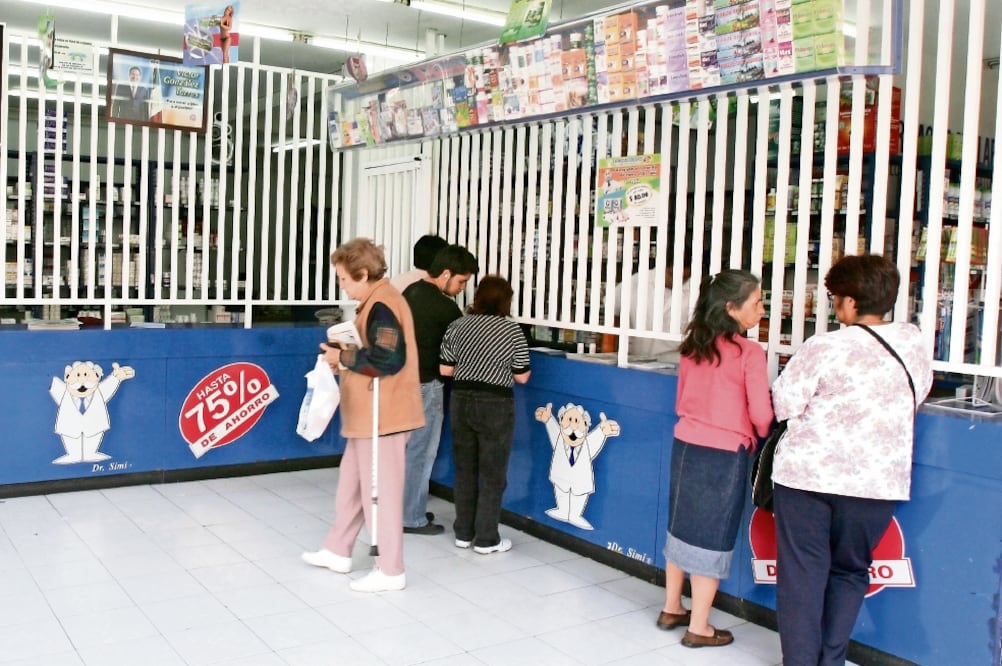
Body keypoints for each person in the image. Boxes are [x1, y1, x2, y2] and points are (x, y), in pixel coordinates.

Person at [770, 254, 932, 666]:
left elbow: (784, 403)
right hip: (876, 483)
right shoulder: (913, 342)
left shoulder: (824, 346)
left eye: (834, 298)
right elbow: (920, 394)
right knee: (851, 571)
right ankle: (832, 660)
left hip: (808, 478)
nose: (834, 306)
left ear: (851, 303)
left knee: (803, 577)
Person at [301, 238, 424, 593]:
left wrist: (344, 359)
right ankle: (338, 549)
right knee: (353, 486)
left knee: (379, 493)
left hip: (383, 417)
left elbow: (389, 359)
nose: (341, 285)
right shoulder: (372, 304)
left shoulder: (384, 304)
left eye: (343, 278)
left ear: (363, 274)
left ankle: (389, 569)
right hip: (367, 415)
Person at [659, 269, 773, 647]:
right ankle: (700, 626)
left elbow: (681, 399)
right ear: (731, 308)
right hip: (725, 453)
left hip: (686, 443)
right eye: (756, 302)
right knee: (713, 536)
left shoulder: (694, 345)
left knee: (681, 525)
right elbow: (761, 413)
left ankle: (672, 606)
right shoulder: (750, 353)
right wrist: (761, 435)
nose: (762, 308)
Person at [439, 275, 530, 554]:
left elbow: (446, 370)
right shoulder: (513, 331)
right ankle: (487, 538)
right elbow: (522, 376)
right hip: (496, 404)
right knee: (492, 473)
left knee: (465, 469)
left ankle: (463, 533)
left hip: (461, 400)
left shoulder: (458, 325)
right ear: (506, 300)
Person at [401, 244, 480, 535]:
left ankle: (403, 508)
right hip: (426, 385)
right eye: (461, 281)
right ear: (445, 274)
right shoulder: (445, 308)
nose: (461, 289)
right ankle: (411, 516)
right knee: (421, 452)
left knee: (405, 450)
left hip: (402, 382)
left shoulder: (411, 291)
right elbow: (465, 347)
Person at [609, 261, 692, 357]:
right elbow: (613, 311)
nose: (678, 281)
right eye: (672, 275)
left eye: (684, 278)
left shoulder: (695, 292)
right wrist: (611, 350)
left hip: (674, 361)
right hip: (634, 358)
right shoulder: (637, 281)